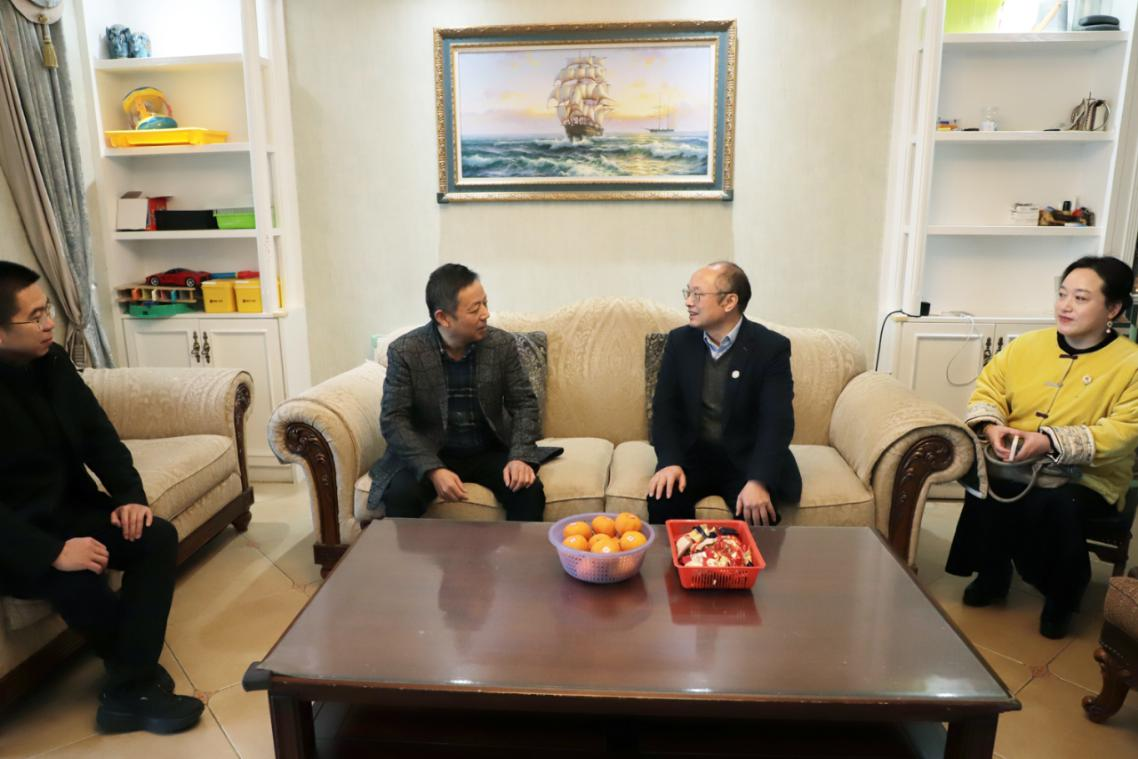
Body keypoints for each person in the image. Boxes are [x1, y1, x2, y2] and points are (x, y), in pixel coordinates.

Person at [0, 261, 203, 734]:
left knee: (154, 537)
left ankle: (128, 687)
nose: (49, 324)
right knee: (77, 580)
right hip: (17, 539)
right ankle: (137, 686)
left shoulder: (51, 363)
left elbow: (97, 434)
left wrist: (130, 496)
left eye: (47, 311)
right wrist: (52, 552)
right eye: (35, 317)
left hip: (70, 510)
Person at [946, 255, 1138, 639]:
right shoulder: (1026, 346)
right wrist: (992, 426)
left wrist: (1049, 442)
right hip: (1014, 460)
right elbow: (989, 389)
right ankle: (993, 573)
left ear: (1113, 309)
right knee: (984, 483)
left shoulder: (1131, 364)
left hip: (1088, 476)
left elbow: (1124, 431)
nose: (1065, 306)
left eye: (1081, 298)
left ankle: (1061, 596)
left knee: (1056, 502)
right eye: (1062, 294)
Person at [367, 263, 559, 519]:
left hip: (487, 450)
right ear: (443, 318)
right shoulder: (406, 351)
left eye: (485, 303)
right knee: (401, 495)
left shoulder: (501, 345)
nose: (486, 314)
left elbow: (524, 403)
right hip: (431, 450)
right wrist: (433, 469)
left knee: (528, 491)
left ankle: (519, 549)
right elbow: (394, 420)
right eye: (475, 309)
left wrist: (520, 457)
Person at [647, 261, 802, 526]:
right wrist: (670, 461)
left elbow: (777, 423)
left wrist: (758, 480)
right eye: (688, 292)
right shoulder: (680, 342)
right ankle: (675, 557)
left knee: (758, 518)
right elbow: (664, 411)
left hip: (746, 459)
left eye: (697, 294)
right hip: (692, 457)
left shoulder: (770, 348)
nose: (688, 301)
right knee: (664, 498)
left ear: (729, 301)